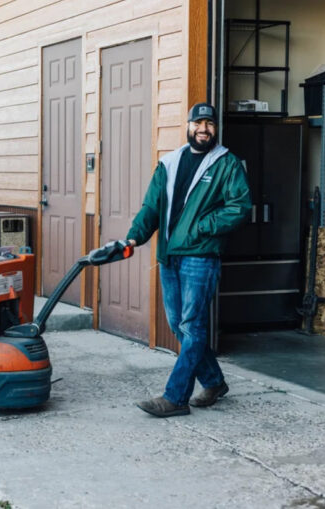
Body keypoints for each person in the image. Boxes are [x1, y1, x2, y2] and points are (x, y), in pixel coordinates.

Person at [126, 103, 252, 417]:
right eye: (198, 123)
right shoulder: (168, 163)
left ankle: (175, 397)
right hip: (169, 256)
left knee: (192, 326)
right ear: (189, 126)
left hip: (200, 256)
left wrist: (203, 227)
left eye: (209, 123)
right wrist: (133, 237)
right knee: (179, 326)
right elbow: (150, 208)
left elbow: (240, 206)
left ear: (215, 128)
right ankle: (214, 381)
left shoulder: (227, 164)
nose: (204, 129)